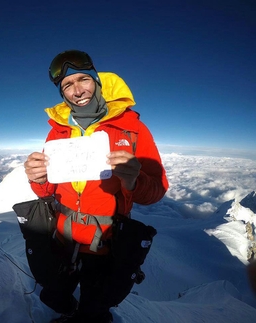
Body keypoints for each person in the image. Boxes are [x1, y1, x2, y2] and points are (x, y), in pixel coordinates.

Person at [24, 50, 169, 323]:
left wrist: (134, 181)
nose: (77, 90)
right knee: (57, 293)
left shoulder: (133, 130)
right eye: (67, 85)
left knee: (95, 305)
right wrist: (38, 179)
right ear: (62, 94)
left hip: (106, 242)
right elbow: (47, 193)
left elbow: (157, 190)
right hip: (63, 238)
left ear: (97, 81)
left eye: (83, 80)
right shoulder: (58, 130)